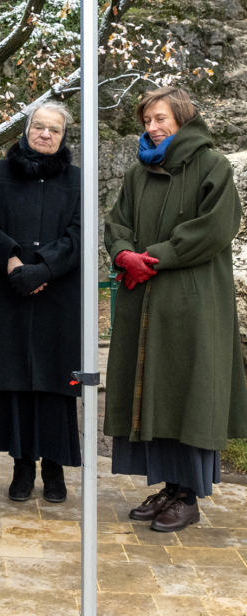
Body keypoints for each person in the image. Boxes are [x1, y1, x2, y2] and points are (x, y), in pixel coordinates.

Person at [105, 86, 247, 532]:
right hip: (143, 301)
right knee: (152, 393)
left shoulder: (213, 166)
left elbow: (215, 228)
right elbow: (117, 221)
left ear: (182, 119)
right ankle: (169, 485)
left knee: (188, 391)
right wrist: (124, 252)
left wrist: (157, 256)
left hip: (193, 303)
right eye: (147, 120)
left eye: (160, 118)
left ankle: (189, 494)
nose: (152, 128)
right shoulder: (137, 173)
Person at [0, 101, 81, 503]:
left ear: (64, 136)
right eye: (39, 126)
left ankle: (54, 467)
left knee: (54, 383)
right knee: (14, 383)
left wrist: (44, 269)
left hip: (58, 295)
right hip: (6, 290)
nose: (45, 134)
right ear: (26, 129)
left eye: (55, 129)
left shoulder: (77, 180)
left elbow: (78, 234)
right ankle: (21, 466)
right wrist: (14, 262)